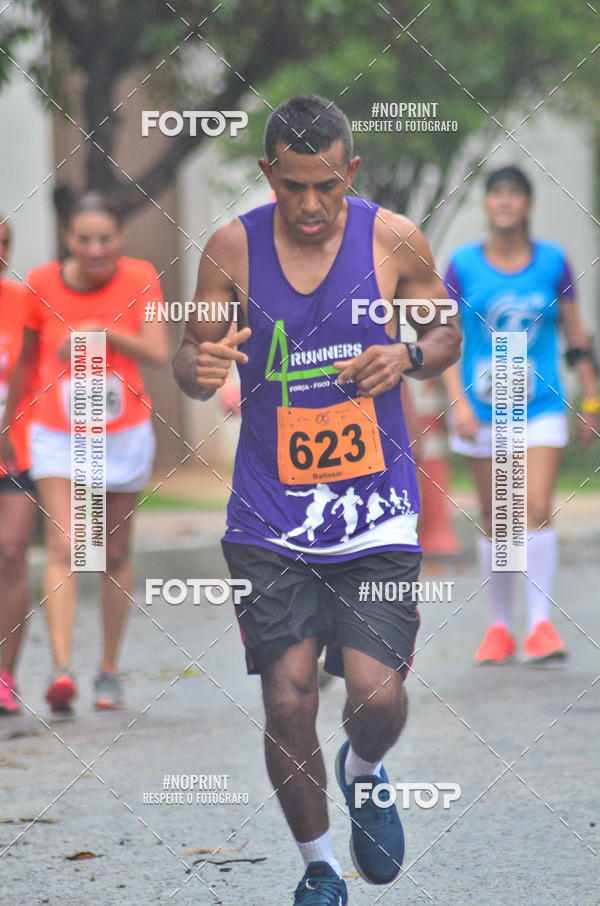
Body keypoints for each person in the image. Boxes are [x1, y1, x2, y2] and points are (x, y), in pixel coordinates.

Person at [173, 95, 460, 905]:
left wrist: (405, 354)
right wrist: (192, 368)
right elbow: (195, 351)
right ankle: (321, 868)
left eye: (325, 187)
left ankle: (364, 768)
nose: (307, 205)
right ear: (268, 174)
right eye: (291, 186)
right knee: (288, 695)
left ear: (350, 174)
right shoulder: (232, 247)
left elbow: (445, 335)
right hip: (270, 517)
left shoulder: (394, 239)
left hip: (374, 513)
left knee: (375, 692)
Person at [0, 192, 168, 712]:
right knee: (67, 545)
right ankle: (62, 669)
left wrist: (104, 332)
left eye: (106, 238)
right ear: (67, 239)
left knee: (113, 553)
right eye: (84, 239)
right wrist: (9, 429)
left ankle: (108, 671)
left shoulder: (141, 277)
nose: (96, 249)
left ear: (120, 238)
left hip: (123, 430)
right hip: (57, 430)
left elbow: (159, 353)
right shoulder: (42, 284)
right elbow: (28, 360)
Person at [443, 165, 599, 665]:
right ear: (487, 206)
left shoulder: (553, 262)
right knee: (497, 516)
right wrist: (458, 402)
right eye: (497, 194)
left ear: (528, 205)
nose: (505, 202)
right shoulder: (463, 265)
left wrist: (591, 400)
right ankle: (499, 627)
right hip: (484, 406)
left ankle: (540, 625)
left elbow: (577, 338)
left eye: (514, 193)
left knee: (532, 505)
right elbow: (446, 339)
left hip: (541, 404)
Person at [0, 218, 38, 714]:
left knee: (10, 554)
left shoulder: (25, 300)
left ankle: (5, 675)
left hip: (17, 447)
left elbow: (41, 370)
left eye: (5, 242)